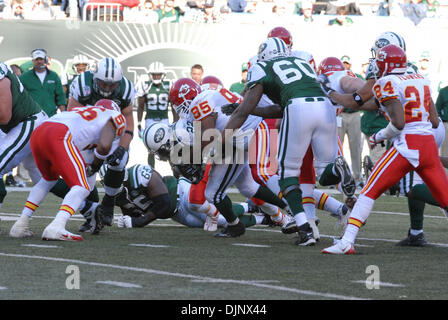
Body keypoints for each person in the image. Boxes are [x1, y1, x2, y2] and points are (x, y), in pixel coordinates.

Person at [222, 37, 356, 246]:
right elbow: (274, 109)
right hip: (324, 107)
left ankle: (305, 230)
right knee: (324, 171)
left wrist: (220, 141)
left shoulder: (261, 67)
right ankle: (338, 169)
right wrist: (247, 110)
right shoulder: (303, 64)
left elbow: (244, 111)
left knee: (287, 173)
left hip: (298, 108)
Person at [322, 45, 448, 254]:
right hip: (427, 145)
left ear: (386, 63)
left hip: (408, 146)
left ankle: (346, 242)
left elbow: (398, 123)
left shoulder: (386, 82)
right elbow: (434, 121)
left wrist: (378, 136)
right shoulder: (421, 79)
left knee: (369, 191)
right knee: (445, 198)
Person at [169, 77, 295, 238]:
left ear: (186, 98)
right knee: (248, 186)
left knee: (214, 193)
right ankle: (290, 209)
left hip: (243, 135)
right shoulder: (210, 93)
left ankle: (237, 224)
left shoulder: (199, 102)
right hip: (243, 133)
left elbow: (209, 136)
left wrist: (189, 157)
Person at [9, 99, 126, 240]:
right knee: (80, 187)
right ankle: (57, 225)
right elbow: (104, 147)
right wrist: (96, 166)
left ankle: (21, 224)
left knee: (48, 179)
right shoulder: (115, 117)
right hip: (59, 134)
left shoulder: (86, 116)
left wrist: (93, 206)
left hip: (40, 131)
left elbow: (87, 169)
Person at [68, 57, 136, 228]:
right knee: (85, 173)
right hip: (86, 132)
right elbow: (72, 116)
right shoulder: (83, 84)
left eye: (112, 84)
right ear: (94, 78)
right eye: (103, 83)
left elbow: (129, 124)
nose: (107, 88)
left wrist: (122, 148)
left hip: (113, 132)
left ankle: (109, 202)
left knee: (119, 161)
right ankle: (92, 213)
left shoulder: (126, 89)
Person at [0, 61, 48, 210]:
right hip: (16, 125)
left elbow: (4, 116)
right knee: (45, 177)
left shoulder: (2, 75)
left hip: (28, 122)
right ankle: (90, 208)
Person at [136, 61, 171, 168]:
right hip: (150, 120)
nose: (156, 76)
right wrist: (138, 123)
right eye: (154, 74)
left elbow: (174, 106)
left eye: (158, 74)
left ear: (163, 75)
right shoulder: (145, 85)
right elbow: (140, 106)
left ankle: (175, 172)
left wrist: (175, 121)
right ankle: (151, 171)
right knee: (150, 148)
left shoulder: (168, 85)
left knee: (169, 147)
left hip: (164, 119)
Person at [336, 55, 363, 187]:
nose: (345, 66)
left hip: (354, 114)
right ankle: (336, 177)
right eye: (343, 64)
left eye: (347, 63)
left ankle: (357, 177)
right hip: (340, 115)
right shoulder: (336, 77)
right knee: (337, 148)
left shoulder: (356, 77)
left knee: (355, 147)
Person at [19, 49, 67, 117]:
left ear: (45, 60)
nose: (39, 61)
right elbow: (19, 96)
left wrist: (63, 115)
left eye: (41, 59)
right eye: (37, 59)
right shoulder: (24, 77)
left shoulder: (54, 76)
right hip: (31, 117)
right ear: (33, 61)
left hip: (51, 116)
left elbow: (60, 96)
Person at [436, 85, 448, 158]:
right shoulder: (444, 91)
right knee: (445, 153)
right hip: (446, 124)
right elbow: (437, 109)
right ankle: (445, 170)